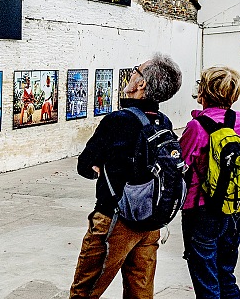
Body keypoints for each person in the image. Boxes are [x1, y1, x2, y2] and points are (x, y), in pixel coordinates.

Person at [70, 53, 182, 299]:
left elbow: (85, 165)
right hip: (150, 222)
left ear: (141, 84)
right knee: (140, 291)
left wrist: (102, 167)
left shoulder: (119, 120)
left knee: (85, 291)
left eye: (136, 71)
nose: (131, 75)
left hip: (114, 220)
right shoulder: (163, 121)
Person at [179, 66, 240, 299]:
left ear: (204, 92)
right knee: (226, 276)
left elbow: (181, 163)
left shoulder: (196, 127)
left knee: (207, 281)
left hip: (201, 210)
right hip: (232, 207)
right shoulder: (237, 120)